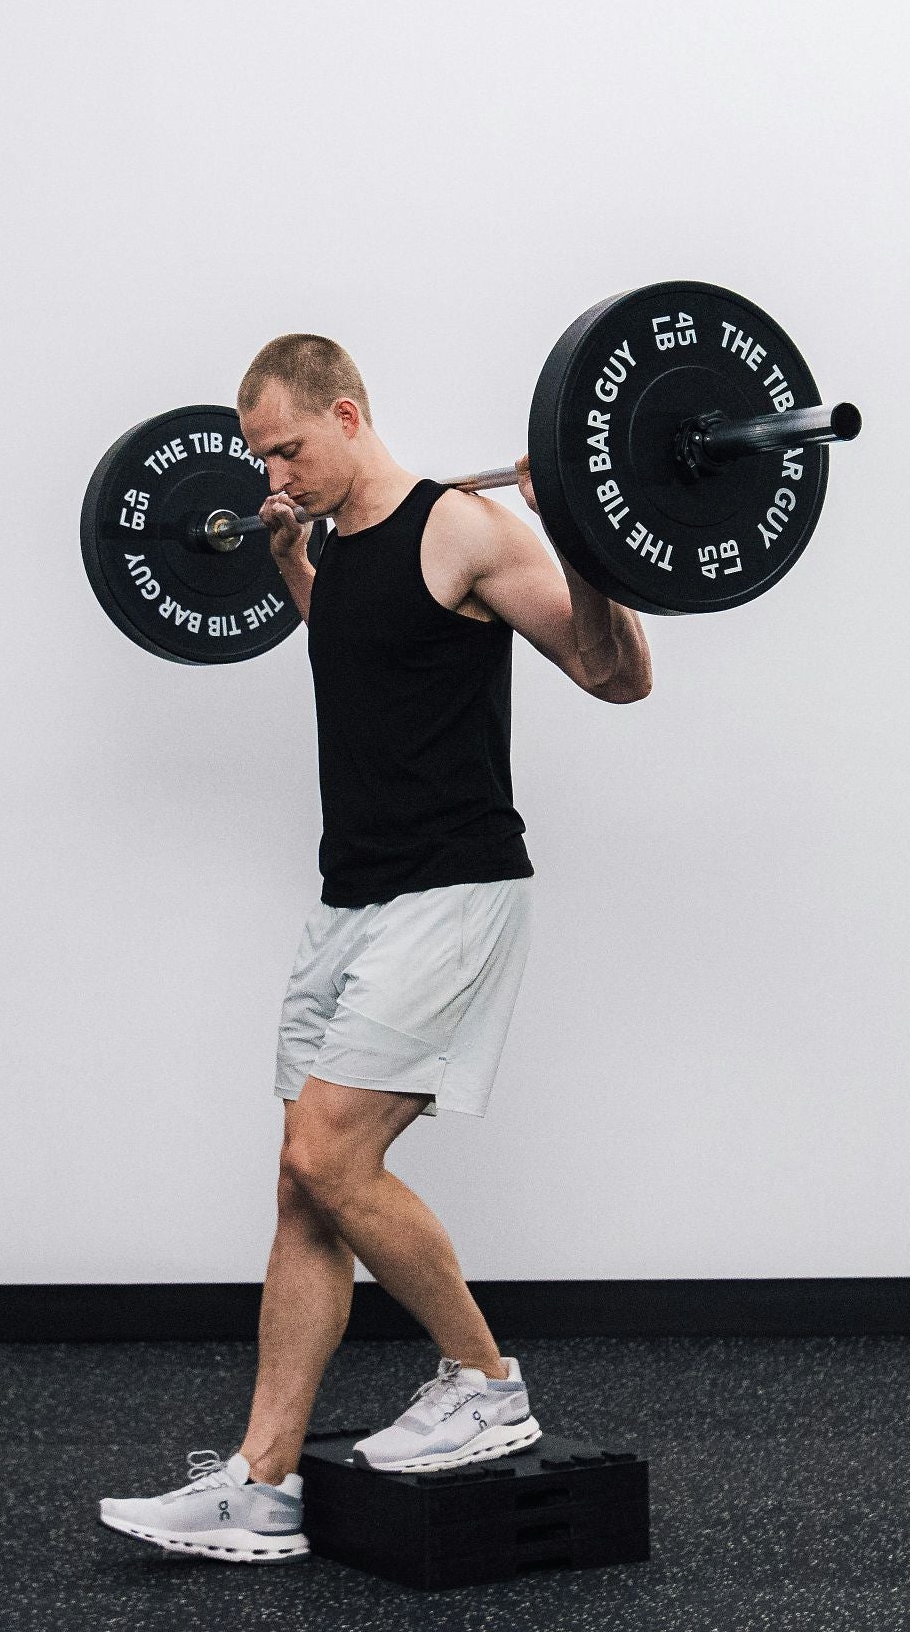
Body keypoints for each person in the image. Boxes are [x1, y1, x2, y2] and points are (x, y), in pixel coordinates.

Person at [99, 333, 653, 1563]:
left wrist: (584, 533)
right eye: (257, 459)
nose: (272, 477)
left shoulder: (463, 526)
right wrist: (294, 560)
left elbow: (617, 677)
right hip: (347, 902)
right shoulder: (329, 550)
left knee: (328, 1152)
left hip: (453, 891)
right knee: (301, 1186)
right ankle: (262, 1481)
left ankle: (483, 1382)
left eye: (288, 450)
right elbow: (368, 657)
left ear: (347, 415)